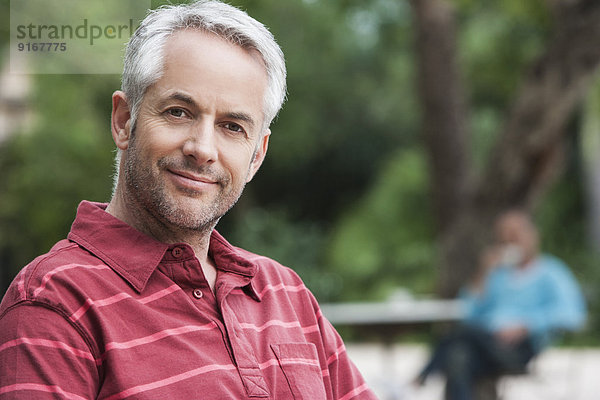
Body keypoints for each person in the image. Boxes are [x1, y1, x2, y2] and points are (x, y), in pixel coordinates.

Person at [0, 2, 376, 399]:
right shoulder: (54, 303)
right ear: (124, 120)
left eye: (232, 126)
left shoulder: (286, 294)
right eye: (179, 112)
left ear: (257, 155)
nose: (203, 148)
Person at [415, 210, 586, 400]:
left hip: (519, 349)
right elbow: (467, 311)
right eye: (504, 240)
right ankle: (427, 373)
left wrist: (525, 325)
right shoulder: (497, 276)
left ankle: (425, 373)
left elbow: (572, 315)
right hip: (484, 346)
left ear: (532, 235)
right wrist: (482, 274)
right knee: (458, 357)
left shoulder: (551, 273)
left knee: (465, 334)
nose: (510, 244)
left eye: (515, 237)